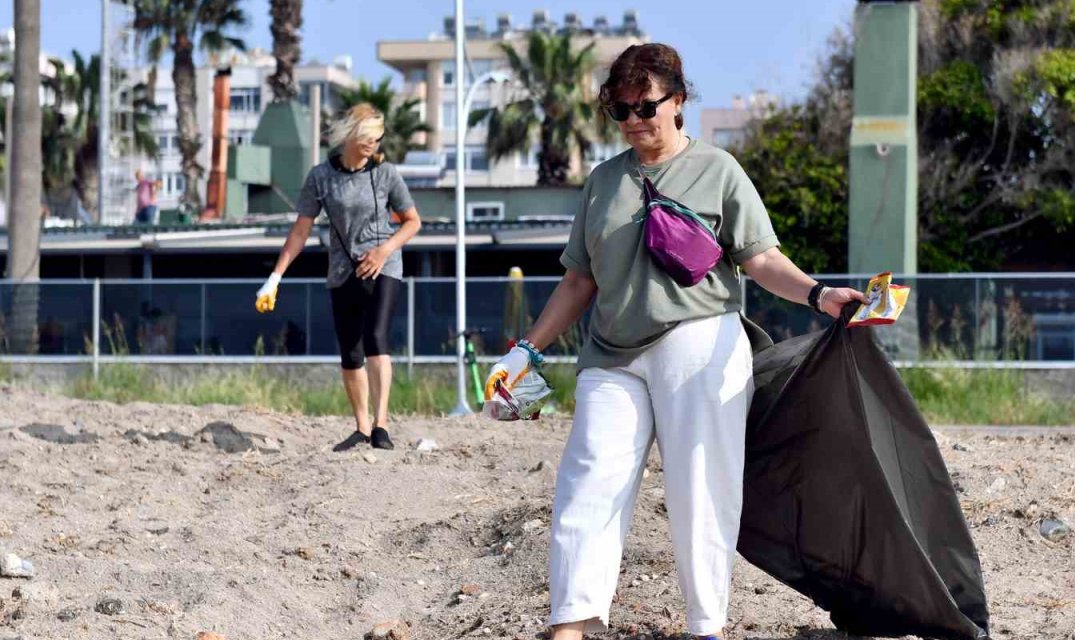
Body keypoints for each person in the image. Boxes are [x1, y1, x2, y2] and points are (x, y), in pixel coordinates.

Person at [485, 44, 869, 640]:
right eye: (621, 111)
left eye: (647, 106)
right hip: (612, 354)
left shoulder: (718, 170)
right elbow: (580, 279)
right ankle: (570, 623)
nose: (635, 120)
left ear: (679, 100)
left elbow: (761, 258)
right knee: (588, 480)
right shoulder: (603, 182)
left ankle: (705, 627)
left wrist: (819, 295)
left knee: (699, 489)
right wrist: (524, 351)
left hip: (699, 342)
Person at [255, 103, 422, 452]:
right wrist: (275, 277)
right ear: (350, 135)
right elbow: (300, 231)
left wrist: (383, 250)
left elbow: (412, 221)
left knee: (376, 338)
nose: (373, 146)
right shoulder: (321, 177)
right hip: (343, 270)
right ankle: (361, 427)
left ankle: (381, 425)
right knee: (350, 352)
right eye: (367, 138)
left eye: (378, 140)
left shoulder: (386, 173)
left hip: (384, 266)